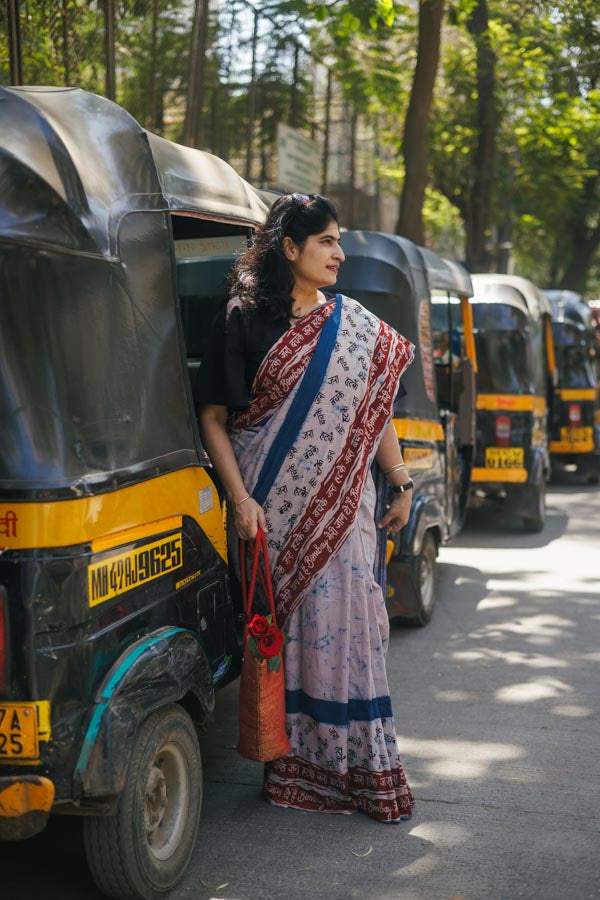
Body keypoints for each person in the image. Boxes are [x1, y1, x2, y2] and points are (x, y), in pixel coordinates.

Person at [197, 193, 416, 823]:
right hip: (270, 508)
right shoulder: (243, 317)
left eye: (339, 241)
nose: (339, 254)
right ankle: (296, 768)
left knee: (351, 628)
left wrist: (398, 482)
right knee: (291, 635)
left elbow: (375, 411)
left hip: (347, 509)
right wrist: (241, 500)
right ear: (289, 248)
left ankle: (359, 767)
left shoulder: (354, 324)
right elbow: (214, 417)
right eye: (326, 241)